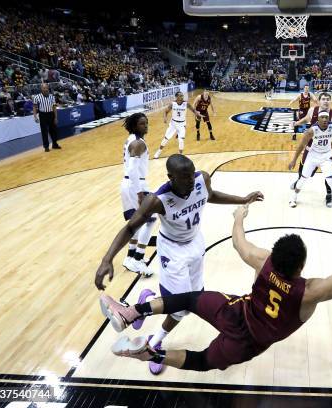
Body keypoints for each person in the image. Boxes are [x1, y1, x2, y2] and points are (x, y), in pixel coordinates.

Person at [99, 207, 332, 372]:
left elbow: (238, 243)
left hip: (233, 311)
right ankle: (151, 354)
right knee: (203, 361)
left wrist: (239, 216)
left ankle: (132, 312)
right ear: (302, 265)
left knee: (189, 298)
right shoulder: (310, 291)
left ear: (274, 255)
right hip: (249, 343)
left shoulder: (263, 260)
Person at [95, 154, 264, 375]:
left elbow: (210, 195)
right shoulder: (157, 200)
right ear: (171, 177)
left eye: (191, 176)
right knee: (182, 307)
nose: (190, 182)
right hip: (172, 251)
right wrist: (107, 259)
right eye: (184, 178)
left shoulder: (201, 180)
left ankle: (146, 304)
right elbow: (129, 228)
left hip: (195, 244)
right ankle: (152, 340)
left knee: (194, 298)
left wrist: (242, 199)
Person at [288, 110, 332, 217]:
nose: (324, 120)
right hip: (312, 156)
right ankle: (294, 197)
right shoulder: (311, 131)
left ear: (328, 119)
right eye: (322, 117)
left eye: (326, 118)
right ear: (318, 119)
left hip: (326, 157)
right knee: (303, 178)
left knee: (331, 180)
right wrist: (294, 160)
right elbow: (301, 146)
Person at [120, 112, 157, 276]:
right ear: (135, 126)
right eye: (142, 124)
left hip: (127, 183)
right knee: (150, 220)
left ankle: (129, 258)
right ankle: (138, 258)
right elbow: (133, 169)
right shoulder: (138, 143)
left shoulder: (130, 140)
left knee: (136, 223)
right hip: (136, 183)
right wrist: (139, 192)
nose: (146, 126)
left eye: (147, 123)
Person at [291, 92, 332, 207]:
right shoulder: (312, 110)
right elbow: (306, 119)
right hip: (310, 146)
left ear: (330, 101)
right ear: (319, 101)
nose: (326, 101)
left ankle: (329, 194)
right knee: (302, 165)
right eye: (323, 99)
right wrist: (296, 123)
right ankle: (298, 180)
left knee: (328, 174)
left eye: (328, 99)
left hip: (325, 149)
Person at [153, 92, 201, 159]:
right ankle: (159, 151)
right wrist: (165, 118)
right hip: (173, 124)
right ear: (177, 97)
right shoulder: (173, 104)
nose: (182, 97)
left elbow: (193, 110)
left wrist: (197, 115)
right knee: (166, 138)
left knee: (181, 140)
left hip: (182, 124)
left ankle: (180, 155)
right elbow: (165, 112)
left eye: (182, 96)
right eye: (180, 96)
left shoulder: (186, 104)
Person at [33, 83, 61, 152]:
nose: (45, 89)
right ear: (41, 89)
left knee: (53, 130)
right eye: (44, 88)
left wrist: (55, 117)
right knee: (44, 131)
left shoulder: (52, 96)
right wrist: (35, 117)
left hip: (51, 114)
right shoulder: (37, 97)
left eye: (46, 88)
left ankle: (55, 144)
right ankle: (46, 146)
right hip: (43, 115)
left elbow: (54, 107)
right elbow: (34, 107)